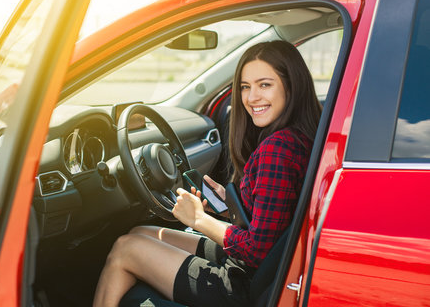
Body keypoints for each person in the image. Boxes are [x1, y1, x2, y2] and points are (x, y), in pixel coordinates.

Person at [92, 40, 322, 307]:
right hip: (260, 270)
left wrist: (199, 219)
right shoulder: (304, 136)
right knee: (140, 232)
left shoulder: (277, 149)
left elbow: (258, 251)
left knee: (124, 249)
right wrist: (230, 207)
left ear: (291, 86)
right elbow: (276, 216)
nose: (251, 98)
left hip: (242, 283)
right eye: (245, 87)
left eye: (265, 85)